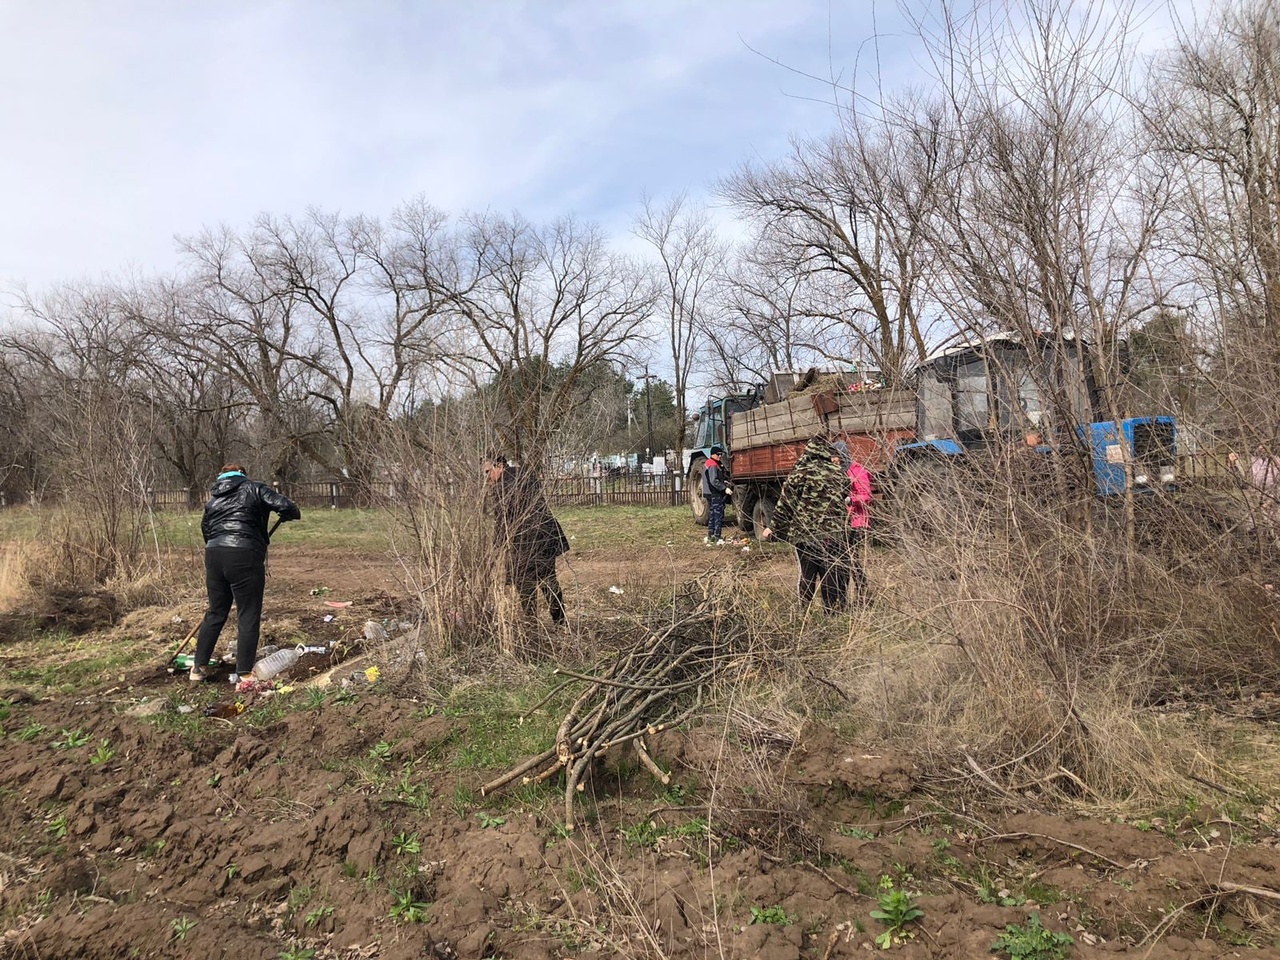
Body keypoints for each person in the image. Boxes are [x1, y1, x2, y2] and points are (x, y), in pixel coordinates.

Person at [191, 464, 301, 684]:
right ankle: (244, 673)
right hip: (244, 553)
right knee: (248, 612)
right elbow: (287, 506)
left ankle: (198, 667)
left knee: (216, 611)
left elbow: (206, 530)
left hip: (214, 554)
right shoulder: (254, 488)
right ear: (242, 474)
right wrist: (286, 514)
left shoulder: (212, 500)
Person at [760, 435, 860, 611]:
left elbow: (786, 505)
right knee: (830, 572)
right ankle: (832, 610)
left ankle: (804, 611)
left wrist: (772, 527)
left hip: (805, 533)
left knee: (807, 574)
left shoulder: (798, 473)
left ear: (808, 451)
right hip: (834, 532)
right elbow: (845, 493)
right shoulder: (837, 472)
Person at [484, 451, 570, 624]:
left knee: (524, 581)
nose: (487, 478)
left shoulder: (504, 486)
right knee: (547, 578)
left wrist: (496, 545)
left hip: (527, 537)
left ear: (499, 466)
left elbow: (503, 517)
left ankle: (530, 623)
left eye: (487, 472)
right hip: (546, 533)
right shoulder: (524, 474)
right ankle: (560, 621)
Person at [833, 440, 872, 603]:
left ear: (842, 455)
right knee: (844, 560)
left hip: (858, 522)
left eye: (835, 456)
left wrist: (851, 500)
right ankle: (845, 598)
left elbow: (867, 496)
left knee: (852, 561)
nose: (833, 460)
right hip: (843, 523)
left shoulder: (857, 470)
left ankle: (863, 596)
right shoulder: (837, 472)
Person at [1229, 444, 1280, 538]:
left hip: (1273, 499)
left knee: (1273, 526)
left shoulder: (1277, 461)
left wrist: (1271, 500)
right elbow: (1242, 483)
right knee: (1253, 526)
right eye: (1259, 445)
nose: (1261, 448)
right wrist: (1234, 464)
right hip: (1255, 498)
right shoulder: (1251, 461)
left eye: (1264, 445)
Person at [702, 444, 729, 546]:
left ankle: (711, 535)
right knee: (718, 515)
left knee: (712, 514)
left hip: (709, 493)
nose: (720, 456)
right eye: (718, 454)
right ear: (713, 454)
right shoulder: (713, 465)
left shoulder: (708, 463)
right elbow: (714, 481)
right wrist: (724, 488)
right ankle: (717, 536)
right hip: (715, 493)